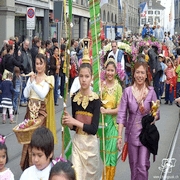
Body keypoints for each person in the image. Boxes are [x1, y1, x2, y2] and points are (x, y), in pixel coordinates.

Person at [117, 60, 160, 180]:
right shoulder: (127, 92)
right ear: (133, 74)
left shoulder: (151, 92)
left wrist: (153, 116)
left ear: (146, 75)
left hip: (145, 135)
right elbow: (121, 114)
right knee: (134, 166)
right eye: (137, 72)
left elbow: (156, 113)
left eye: (142, 73)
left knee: (142, 166)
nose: (140, 75)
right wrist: (120, 136)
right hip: (131, 134)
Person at [62, 63, 101, 180]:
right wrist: (69, 122)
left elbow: (93, 129)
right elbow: (74, 127)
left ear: (91, 78)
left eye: (87, 76)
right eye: (81, 76)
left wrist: (74, 121)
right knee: (77, 176)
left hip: (91, 145)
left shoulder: (96, 100)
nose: (83, 80)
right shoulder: (74, 98)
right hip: (77, 143)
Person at [20, 53, 57, 171]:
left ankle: (42, 166)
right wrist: (30, 82)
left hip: (41, 113)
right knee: (28, 140)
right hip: (29, 113)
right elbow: (26, 94)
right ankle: (29, 168)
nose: (39, 66)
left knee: (38, 139)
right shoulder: (32, 78)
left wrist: (34, 82)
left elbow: (42, 94)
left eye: (41, 63)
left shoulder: (49, 79)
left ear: (45, 64)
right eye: (37, 63)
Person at [98, 58, 122, 179]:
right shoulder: (101, 85)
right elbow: (95, 103)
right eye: (108, 70)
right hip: (102, 125)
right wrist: (99, 92)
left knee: (111, 157)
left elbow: (119, 109)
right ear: (105, 71)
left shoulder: (118, 87)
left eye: (112, 70)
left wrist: (107, 111)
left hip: (113, 124)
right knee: (104, 155)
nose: (110, 73)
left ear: (115, 72)